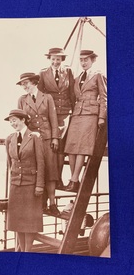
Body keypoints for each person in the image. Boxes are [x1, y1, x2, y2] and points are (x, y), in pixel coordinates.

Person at [17, 73, 60, 216]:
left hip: (47, 139)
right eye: (22, 84)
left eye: (26, 83)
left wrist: (55, 138)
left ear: (34, 82)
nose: (24, 86)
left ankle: (53, 203)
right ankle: (40, 203)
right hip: (32, 140)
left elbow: (53, 119)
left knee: (50, 170)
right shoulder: (22, 100)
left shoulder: (47, 98)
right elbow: (21, 120)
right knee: (36, 170)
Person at [64, 50, 107, 192]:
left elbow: (103, 97)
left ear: (93, 60)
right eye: (81, 60)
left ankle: (74, 180)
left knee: (82, 147)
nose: (83, 62)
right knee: (70, 147)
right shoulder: (77, 78)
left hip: (90, 114)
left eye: (86, 60)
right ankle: (74, 180)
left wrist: (101, 117)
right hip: (77, 114)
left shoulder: (98, 75)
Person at [4, 109, 45, 252]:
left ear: (23, 120)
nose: (12, 124)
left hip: (31, 185)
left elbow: (41, 162)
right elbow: (11, 164)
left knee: (29, 223)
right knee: (17, 222)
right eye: (10, 122)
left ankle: (27, 252)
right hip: (16, 185)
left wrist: (39, 185)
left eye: (14, 120)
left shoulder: (34, 137)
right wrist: (13, 180)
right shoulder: (10, 139)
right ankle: (20, 251)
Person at [38, 47, 75, 188]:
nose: (55, 62)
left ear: (62, 60)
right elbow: (41, 94)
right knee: (54, 147)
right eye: (53, 59)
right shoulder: (43, 73)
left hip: (66, 113)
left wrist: (74, 109)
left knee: (62, 147)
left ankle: (58, 179)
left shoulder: (68, 71)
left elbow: (72, 92)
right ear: (50, 59)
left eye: (58, 59)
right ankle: (54, 179)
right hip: (50, 114)